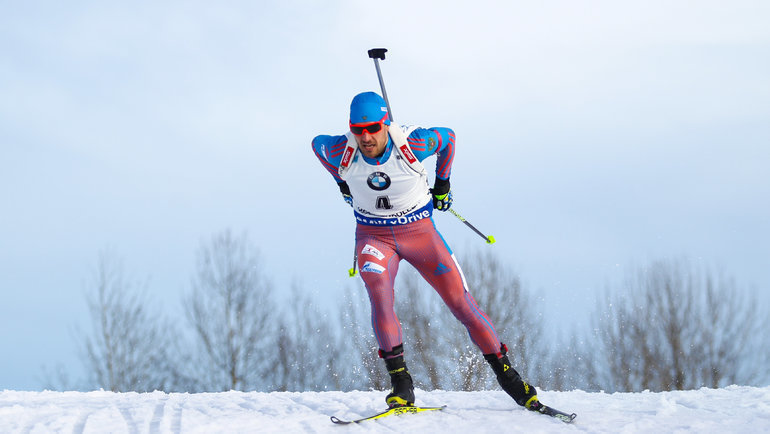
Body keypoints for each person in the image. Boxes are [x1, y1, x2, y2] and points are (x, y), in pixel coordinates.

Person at [311, 91, 543, 412]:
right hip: (374, 237)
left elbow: (448, 138)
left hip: (420, 235)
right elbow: (316, 145)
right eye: (357, 129)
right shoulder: (339, 149)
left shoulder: (413, 144)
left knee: (461, 303)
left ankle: (510, 379)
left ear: (385, 124)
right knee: (379, 294)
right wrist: (343, 184)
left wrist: (443, 185)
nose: (365, 137)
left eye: (373, 128)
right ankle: (401, 385)